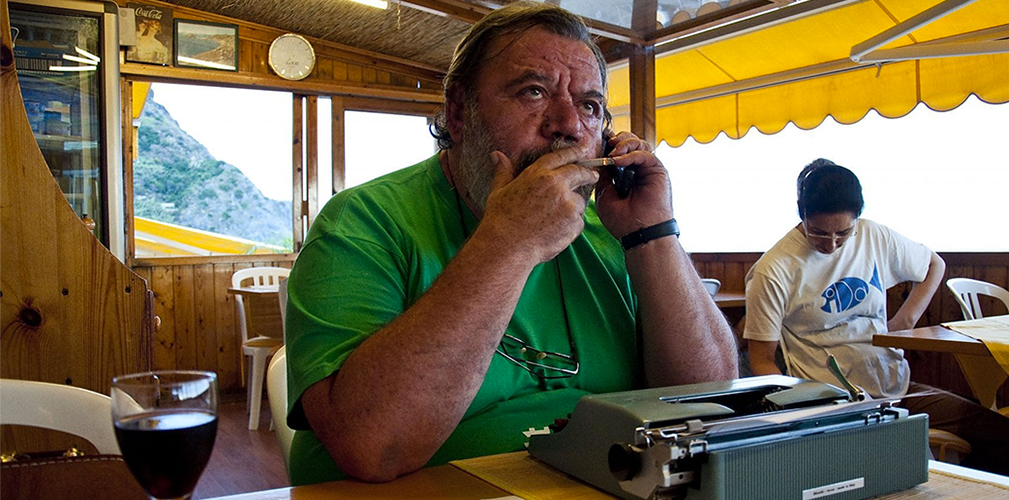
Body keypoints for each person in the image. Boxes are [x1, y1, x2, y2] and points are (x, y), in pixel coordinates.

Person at [284, 1, 738, 485]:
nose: (568, 125)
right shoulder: (363, 222)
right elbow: (374, 447)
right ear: (459, 113)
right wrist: (511, 240)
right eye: (533, 92)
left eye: (589, 105)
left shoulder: (615, 233)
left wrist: (653, 231)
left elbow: (710, 402)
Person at [744, 158, 1009, 475]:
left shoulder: (873, 236)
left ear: (858, 218)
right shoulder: (773, 269)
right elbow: (762, 361)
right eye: (818, 233)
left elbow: (933, 264)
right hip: (835, 406)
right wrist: (801, 411)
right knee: (901, 465)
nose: (832, 244)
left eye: (844, 232)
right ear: (802, 214)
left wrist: (905, 322)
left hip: (897, 388)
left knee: (995, 432)